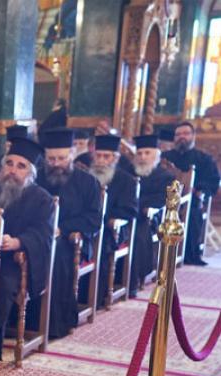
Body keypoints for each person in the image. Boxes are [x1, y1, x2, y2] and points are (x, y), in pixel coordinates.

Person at [0, 138, 56, 360]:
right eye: (9, 163)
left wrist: (18, 242)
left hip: (14, 262)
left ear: (31, 173)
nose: (13, 170)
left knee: (0, 284)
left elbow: (44, 234)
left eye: (21, 166)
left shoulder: (42, 199)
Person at [37, 128, 102, 339]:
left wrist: (63, 229)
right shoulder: (37, 177)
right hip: (38, 236)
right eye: (51, 159)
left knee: (56, 256)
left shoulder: (87, 182)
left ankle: (53, 323)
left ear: (72, 155)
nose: (56, 163)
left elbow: (94, 219)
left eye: (61, 158)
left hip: (72, 241)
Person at [161, 121, 221, 266]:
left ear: (193, 136)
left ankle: (189, 255)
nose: (182, 137)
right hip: (165, 200)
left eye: (186, 134)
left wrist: (200, 191)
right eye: (178, 134)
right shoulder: (165, 157)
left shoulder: (204, 158)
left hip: (193, 201)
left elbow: (213, 181)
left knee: (193, 215)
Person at [88, 135, 138, 307]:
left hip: (112, 230)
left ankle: (95, 297)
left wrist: (109, 219)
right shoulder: (86, 178)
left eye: (106, 156)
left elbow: (130, 210)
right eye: (98, 155)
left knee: (101, 245)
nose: (101, 160)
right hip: (88, 227)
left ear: (115, 158)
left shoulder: (127, 181)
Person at [131, 134, 176, 293]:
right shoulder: (129, 173)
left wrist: (143, 206)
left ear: (156, 155)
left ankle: (135, 277)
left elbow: (162, 200)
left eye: (147, 153)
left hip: (151, 218)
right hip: (130, 214)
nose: (143, 157)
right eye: (139, 153)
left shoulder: (166, 176)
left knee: (138, 235)